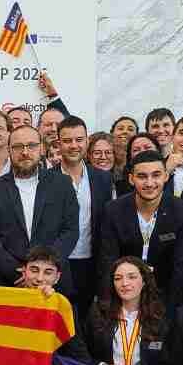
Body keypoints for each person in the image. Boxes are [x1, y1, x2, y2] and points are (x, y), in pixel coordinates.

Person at [0, 124, 78, 286]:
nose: (25, 152)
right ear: (9, 150)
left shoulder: (63, 184)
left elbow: (70, 231)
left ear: (42, 148)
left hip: (53, 281)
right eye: (17, 147)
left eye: (31, 146)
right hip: (7, 281)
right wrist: (17, 272)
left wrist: (45, 270)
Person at [98, 150, 183, 311]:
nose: (149, 183)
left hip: (166, 294)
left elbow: (182, 267)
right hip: (122, 293)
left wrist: (170, 310)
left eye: (156, 175)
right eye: (142, 176)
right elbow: (107, 261)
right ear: (131, 179)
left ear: (166, 176)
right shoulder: (113, 210)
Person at [54, 115, 114, 312]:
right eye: (67, 140)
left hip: (92, 264)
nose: (73, 145)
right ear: (58, 143)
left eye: (79, 140)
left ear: (87, 141)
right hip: (58, 264)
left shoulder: (104, 179)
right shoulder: (45, 179)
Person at [88, 257, 169, 365]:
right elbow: (82, 353)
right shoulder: (99, 313)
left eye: (132, 277)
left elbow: (167, 363)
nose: (124, 283)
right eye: (118, 278)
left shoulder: (160, 317)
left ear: (144, 281)